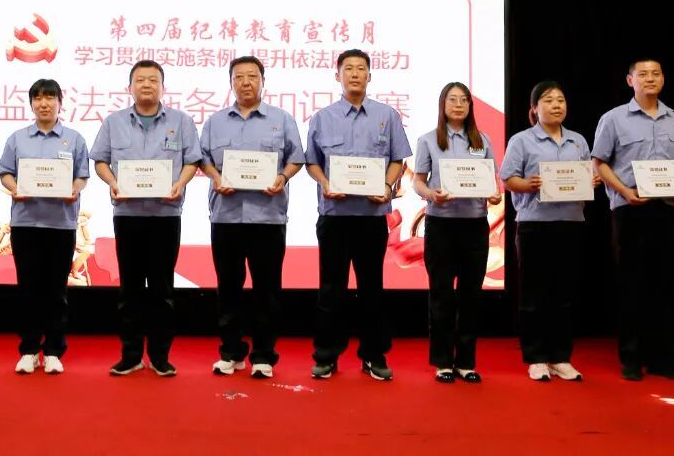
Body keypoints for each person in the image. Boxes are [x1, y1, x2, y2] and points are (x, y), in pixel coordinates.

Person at [305, 49, 411, 381]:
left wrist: (387, 185)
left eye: (361, 68)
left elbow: (398, 160)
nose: (354, 74)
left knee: (372, 289)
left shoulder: (386, 115)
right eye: (348, 68)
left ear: (369, 76)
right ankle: (326, 356)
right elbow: (312, 162)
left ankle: (374, 356)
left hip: (371, 217)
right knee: (331, 289)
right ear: (337, 76)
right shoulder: (322, 117)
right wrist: (325, 183)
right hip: (334, 216)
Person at [91, 60, 202, 377]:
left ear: (163, 87)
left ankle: (160, 356)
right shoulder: (114, 122)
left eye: (153, 80)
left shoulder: (181, 121)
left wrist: (180, 184)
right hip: (128, 216)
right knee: (130, 288)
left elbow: (192, 161)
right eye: (140, 80)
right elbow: (100, 161)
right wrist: (113, 183)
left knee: (162, 289)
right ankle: (130, 355)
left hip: (165, 216)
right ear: (129, 87)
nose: (147, 85)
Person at [591, 59, 674, 382]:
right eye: (643, 74)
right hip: (631, 209)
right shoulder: (613, 118)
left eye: (656, 74)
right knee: (632, 285)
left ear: (663, 79)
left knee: (667, 285)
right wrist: (625, 191)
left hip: (669, 210)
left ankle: (665, 360)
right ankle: (632, 359)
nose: (650, 79)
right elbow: (599, 163)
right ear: (630, 80)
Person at [200, 56, 304, 379]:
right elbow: (203, 158)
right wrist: (215, 177)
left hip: (268, 217)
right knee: (228, 288)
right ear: (231, 82)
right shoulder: (215, 122)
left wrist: (282, 177)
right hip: (226, 216)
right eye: (239, 77)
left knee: (267, 290)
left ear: (262, 80)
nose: (246, 82)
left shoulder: (282, 119)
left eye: (252, 76)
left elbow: (296, 158)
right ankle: (231, 353)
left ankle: (263, 356)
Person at [500, 81, 599, 382]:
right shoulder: (521, 140)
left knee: (564, 292)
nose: (556, 105)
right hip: (534, 224)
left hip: (571, 223)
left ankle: (560, 357)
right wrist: (527, 184)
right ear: (534, 108)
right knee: (534, 293)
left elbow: (588, 174)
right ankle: (536, 357)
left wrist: (591, 181)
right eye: (548, 100)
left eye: (561, 100)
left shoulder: (578, 141)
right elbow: (508, 179)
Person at [0, 79, 89, 375]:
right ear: (31, 104)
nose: (44, 103)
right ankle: (28, 350)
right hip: (26, 223)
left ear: (61, 102)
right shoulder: (17, 138)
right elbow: (5, 173)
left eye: (50, 97)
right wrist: (14, 188)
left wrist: (74, 189)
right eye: (38, 98)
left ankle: (53, 351)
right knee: (28, 289)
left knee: (56, 291)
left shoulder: (74, 139)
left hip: (61, 224)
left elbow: (82, 176)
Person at [413, 82, 501, 384]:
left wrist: (494, 194)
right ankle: (443, 362)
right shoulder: (428, 140)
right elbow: (418, 181)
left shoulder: (482, 140)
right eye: (453, 99)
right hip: (441, 224)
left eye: (464, 100)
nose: (459, 105)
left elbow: (492, 180)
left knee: (470, 295)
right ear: (443, 104)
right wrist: (430, 194)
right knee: (441, 294)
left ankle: (466, 362)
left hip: (475, 225)